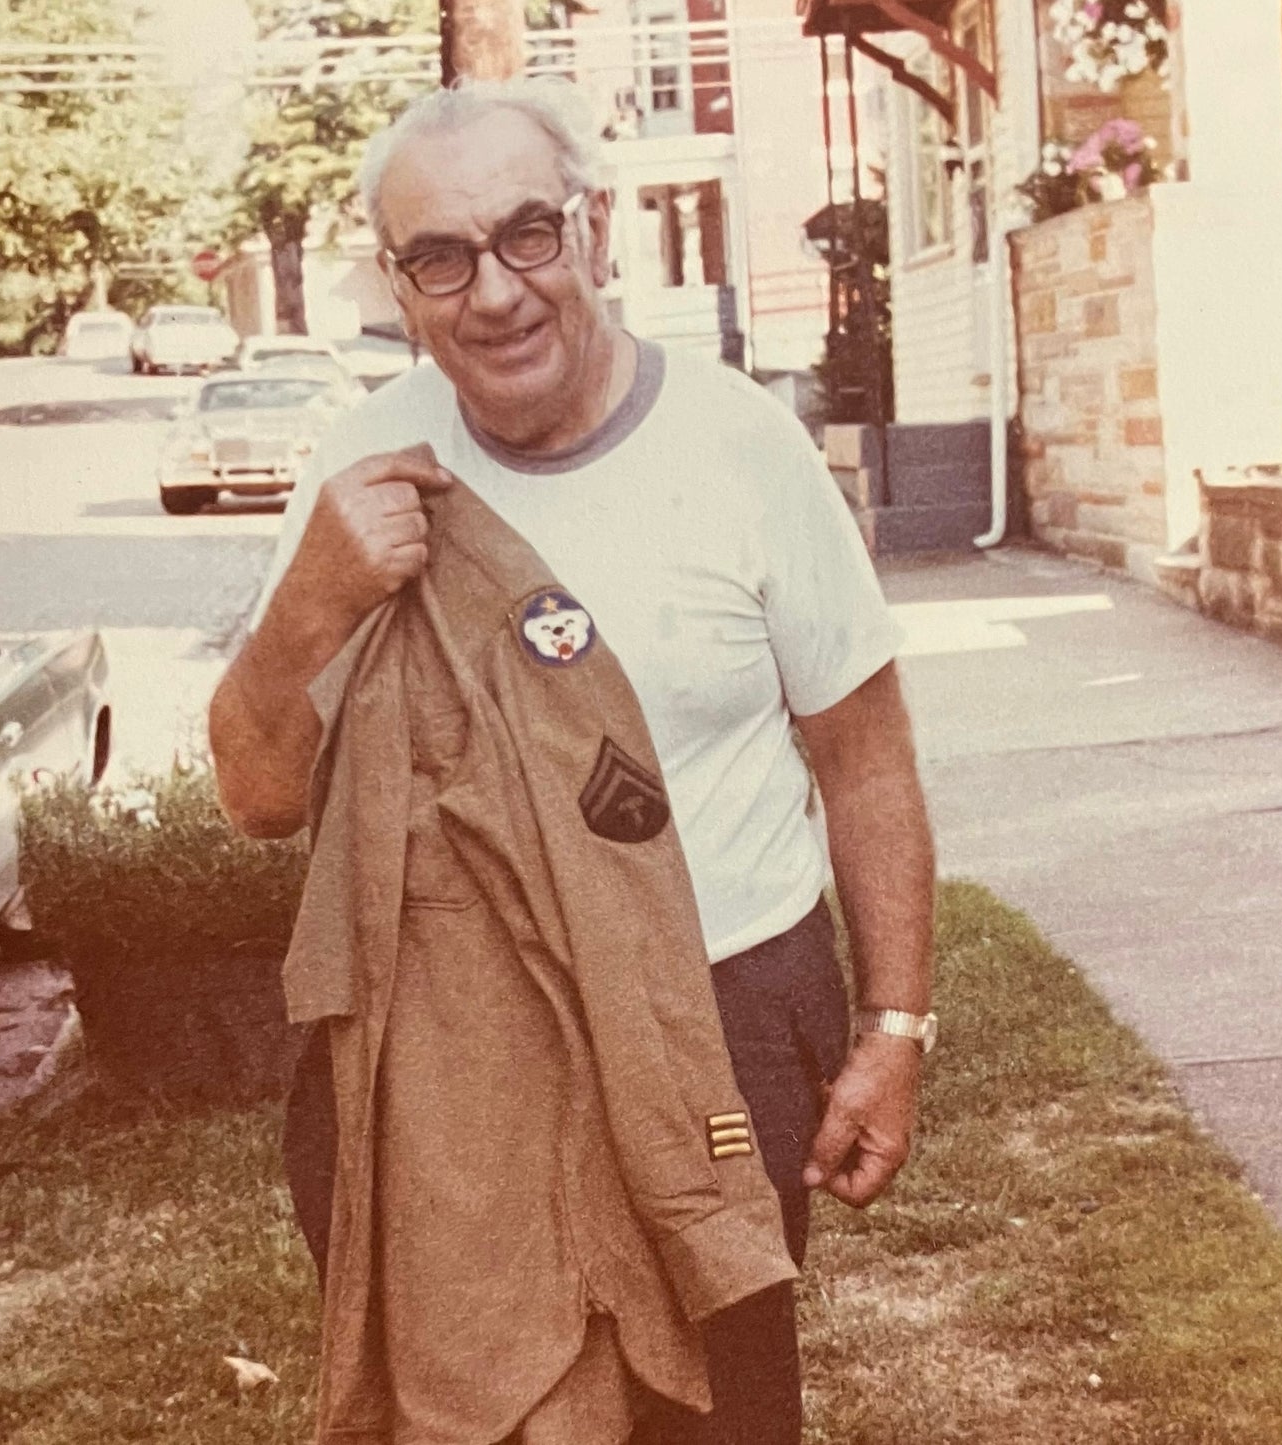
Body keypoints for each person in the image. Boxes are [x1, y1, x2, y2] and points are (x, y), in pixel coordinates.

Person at [209, 76, 935, 1445]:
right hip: (449, 1051)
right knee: (475, 1403)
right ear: (398, 285)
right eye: (440, 256)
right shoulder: (361, 464)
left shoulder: (739, 449)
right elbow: (255, 796)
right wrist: (312, 598)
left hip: (716, 1011)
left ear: (593, 230)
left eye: (526, 233)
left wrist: (892, 1030)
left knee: (721, 1408)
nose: (493, 291)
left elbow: (866, 760)